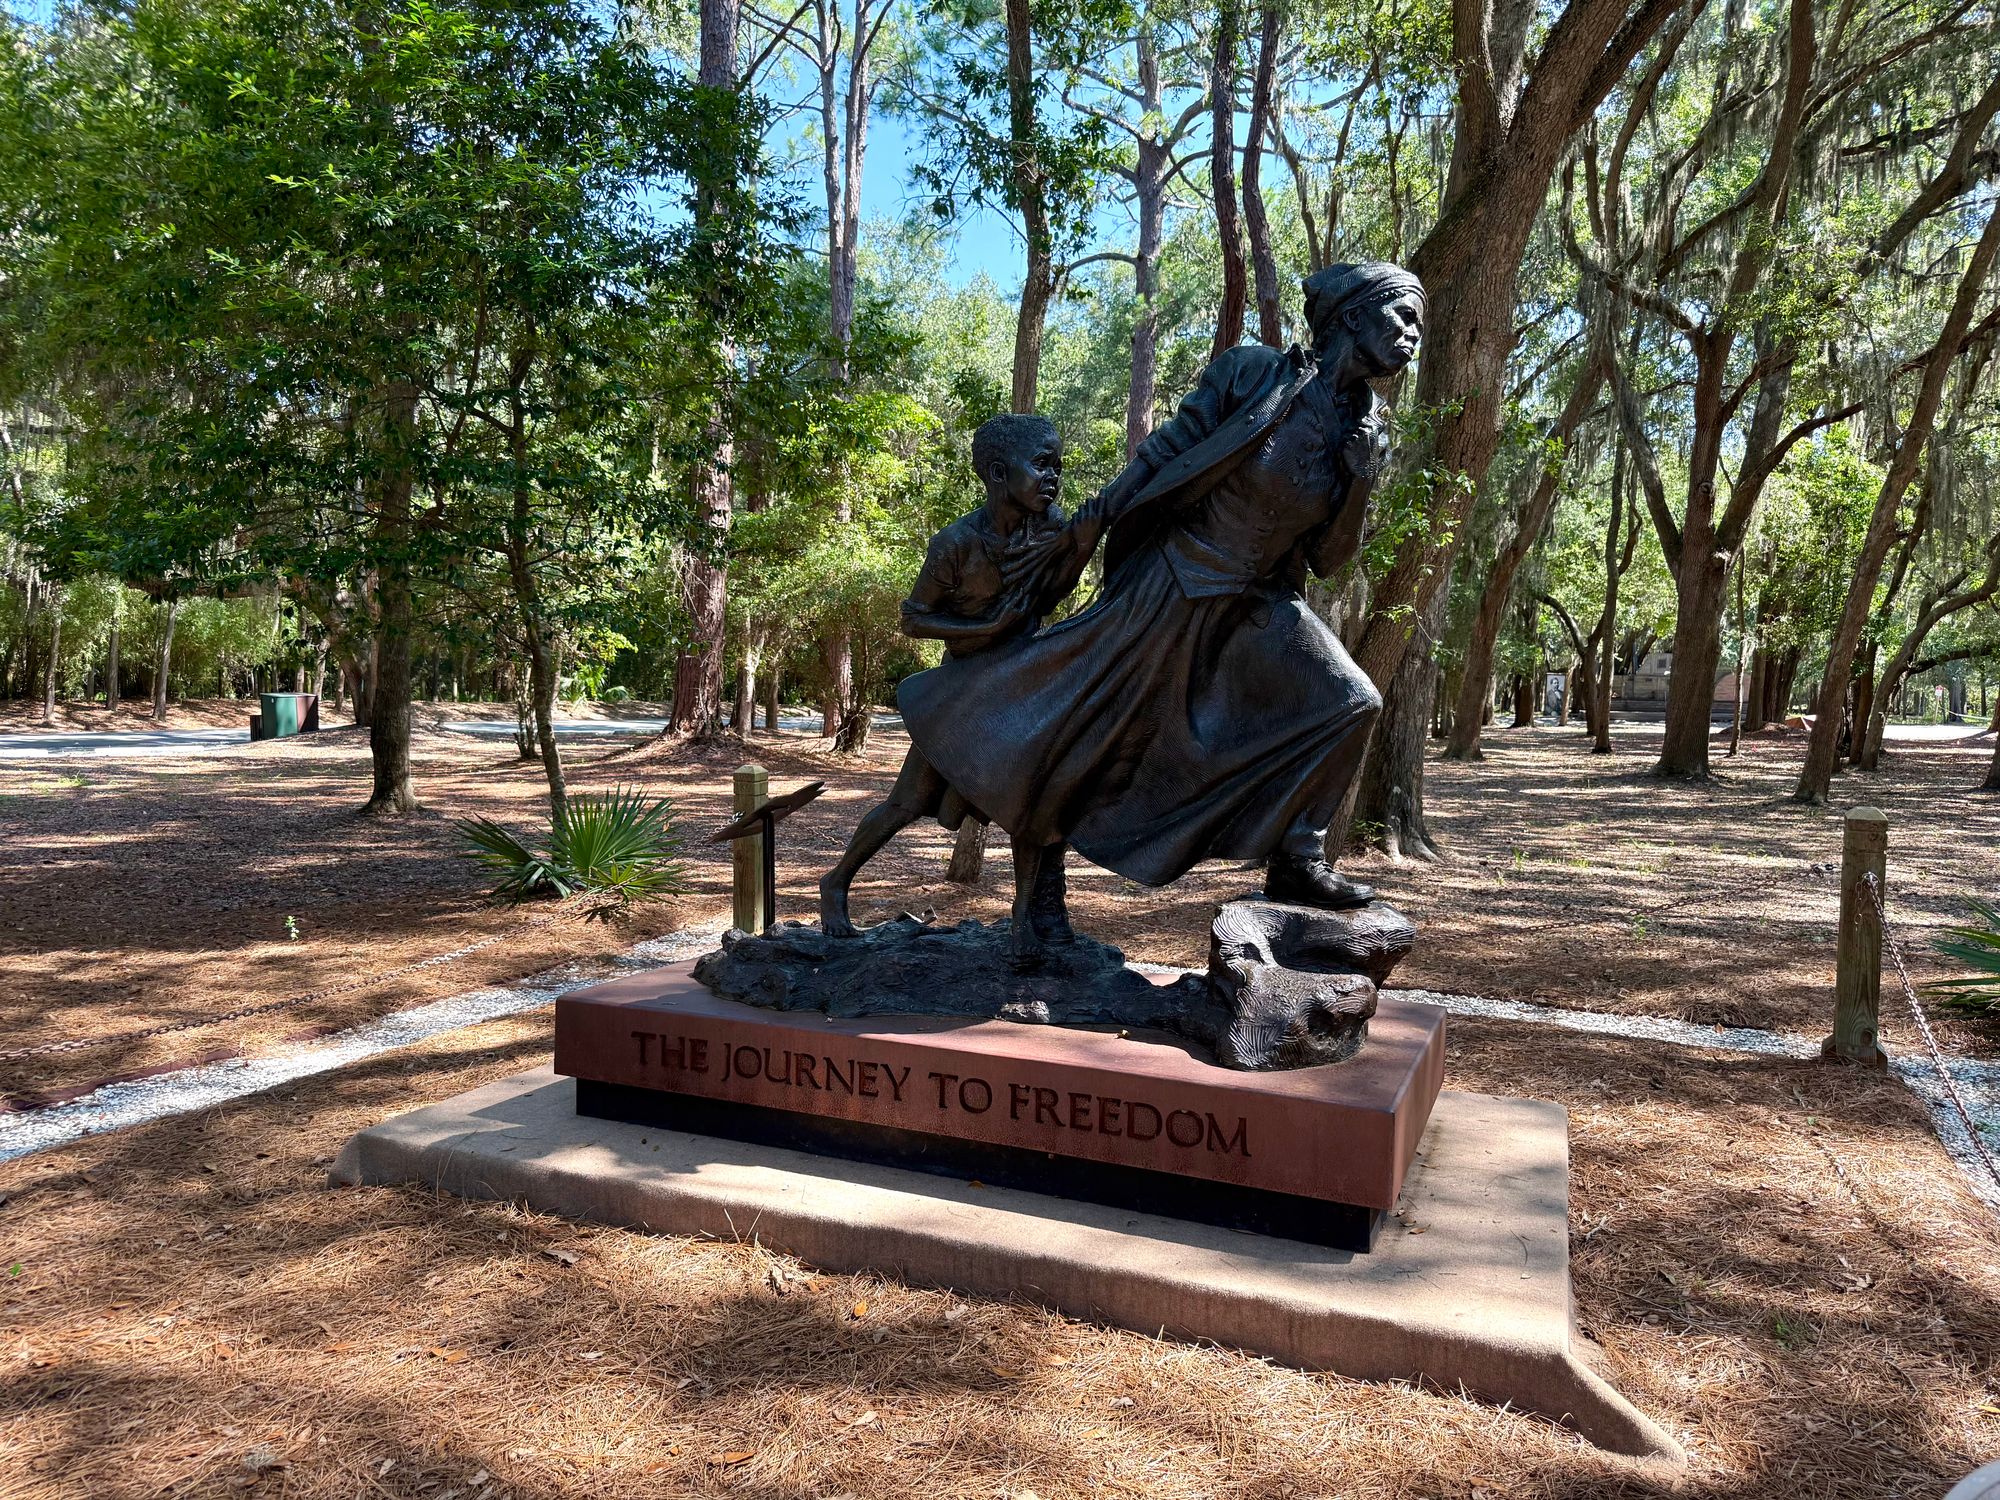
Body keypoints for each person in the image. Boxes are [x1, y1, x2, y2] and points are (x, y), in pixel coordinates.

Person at [896, 261, 1426, 916]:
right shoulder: (1255, 372)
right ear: (1353, 315)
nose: (1413, 334)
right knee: (1091, 743)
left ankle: (1298, 858)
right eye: (1404, 316)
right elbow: (1169, 447)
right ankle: (1040, 904)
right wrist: (1098, 518)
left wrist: (1362, 476)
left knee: (1352, 701)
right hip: (1173, 582)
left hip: (1259, 601)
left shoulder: (1368, 425)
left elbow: (1326, 559)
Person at [818, 413, 1092, 949]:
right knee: (907, 802)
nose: (1053, 477)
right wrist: (985, 628)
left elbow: (1053, 590)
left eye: (1058, 467)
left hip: (1020, 689)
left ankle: (1023, 917)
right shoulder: (956, 544)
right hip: (962, 694)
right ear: (998, 473)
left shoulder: (1052, 530)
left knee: (1029, 804)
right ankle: (837, 881)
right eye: (1042, 465)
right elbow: (914, 618)